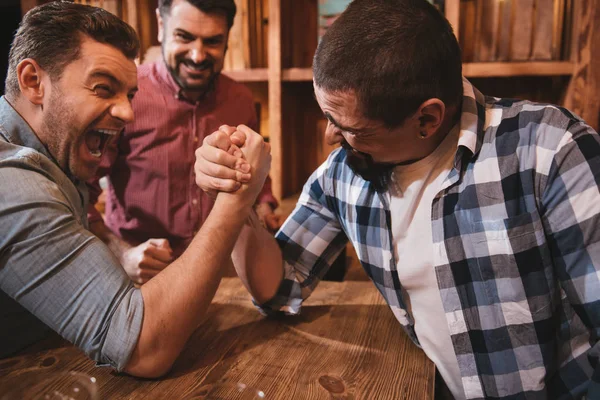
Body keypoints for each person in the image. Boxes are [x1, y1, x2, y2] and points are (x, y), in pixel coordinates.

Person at [194, 0, 600, 398]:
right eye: (327, 117)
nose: (330, 137)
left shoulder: (549, 151)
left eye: (349, 127)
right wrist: (237, 193)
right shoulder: (344, 174)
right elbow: (278, 286)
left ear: (427, 119)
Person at [0, 1, 271, 378]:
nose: (128, 112)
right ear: (33, 81)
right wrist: (235, 198)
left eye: (128, 94)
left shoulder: (56, 149)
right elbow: (143, 347)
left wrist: (262, 202)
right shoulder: (15, 183)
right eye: (102, 88)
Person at [87, 0, 279, 285]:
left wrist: (265, 206)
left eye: (213, 41)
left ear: (228, 39)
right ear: (161, 27)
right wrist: (121, 255)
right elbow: (79, 197)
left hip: (221, 274)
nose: (198, 55)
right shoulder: (125, 96)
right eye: (185, 37)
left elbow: (256, 180)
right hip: (142, 279)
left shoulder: (240, 100)